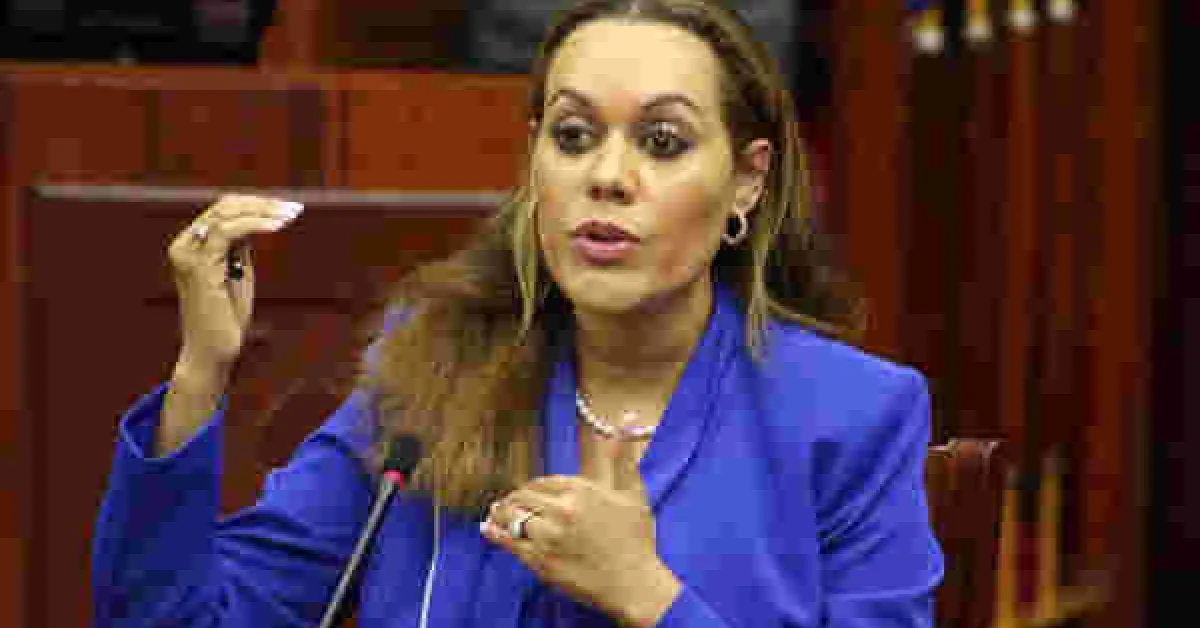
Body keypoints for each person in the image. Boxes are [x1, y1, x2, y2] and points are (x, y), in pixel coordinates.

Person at [91, 0, 943, 626]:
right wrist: (201, 373)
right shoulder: (433, 370)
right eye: (572, 137)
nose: (606, 177)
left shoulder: (851, 417)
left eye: (662, 143)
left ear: (747, 181)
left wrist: (649, 596)